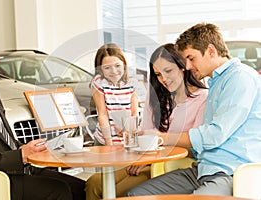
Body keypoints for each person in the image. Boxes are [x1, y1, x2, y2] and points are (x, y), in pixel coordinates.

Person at [126, 23, 261, 197]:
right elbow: (201, 145)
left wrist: (162, 138)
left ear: (211, 51)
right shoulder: (216, 82)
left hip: (230, 172)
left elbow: (214, 135)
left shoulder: (240, 78)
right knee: (136, 194)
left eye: (191, 58)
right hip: (202, 169)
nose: (188, 66)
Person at [0, 31, 85, 200]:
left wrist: (33, 150)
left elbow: (5, 139)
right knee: (59, 190)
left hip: (18, 167)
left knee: (80, 188)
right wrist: (20, 156)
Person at [85, 43, 208, 199]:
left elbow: (194, 147)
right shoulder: (156, 95)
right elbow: (144, 134)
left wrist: (151, 160)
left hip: (173, 163)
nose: (163, 79)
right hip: (146, 159)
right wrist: (142, 156)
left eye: (168, 71)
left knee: (119, 193)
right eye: (158, 74)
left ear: (183, 67)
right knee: (94, 183)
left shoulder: (202, 98)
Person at [90, 43, 138, 146]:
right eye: (107, 68)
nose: (114, 71)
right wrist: (109, 143)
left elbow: (134, 112)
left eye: (117, 66)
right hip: (105, 140)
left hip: (126, 139)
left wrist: (129, 132)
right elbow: (102, 114)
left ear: (124, 64)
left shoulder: (132, 80)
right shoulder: (99, 82)